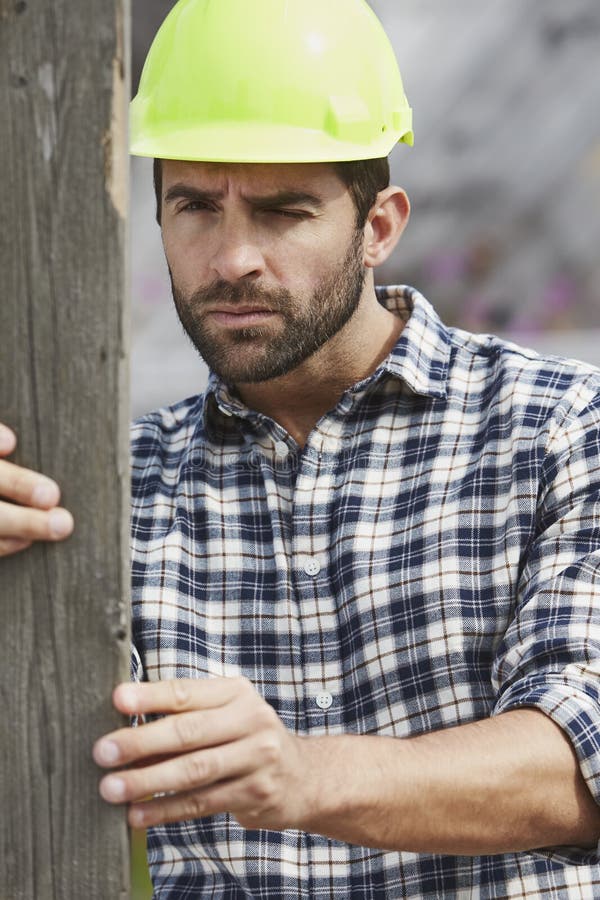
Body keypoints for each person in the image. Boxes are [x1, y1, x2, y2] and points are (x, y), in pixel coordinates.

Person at [2, 0, 600, 896]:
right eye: (195, 206)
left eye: (283, 211)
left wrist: (299, 773)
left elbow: (578, 768)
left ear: (380, 227)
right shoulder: (109, 489)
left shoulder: (559, 429)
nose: (234, 256)